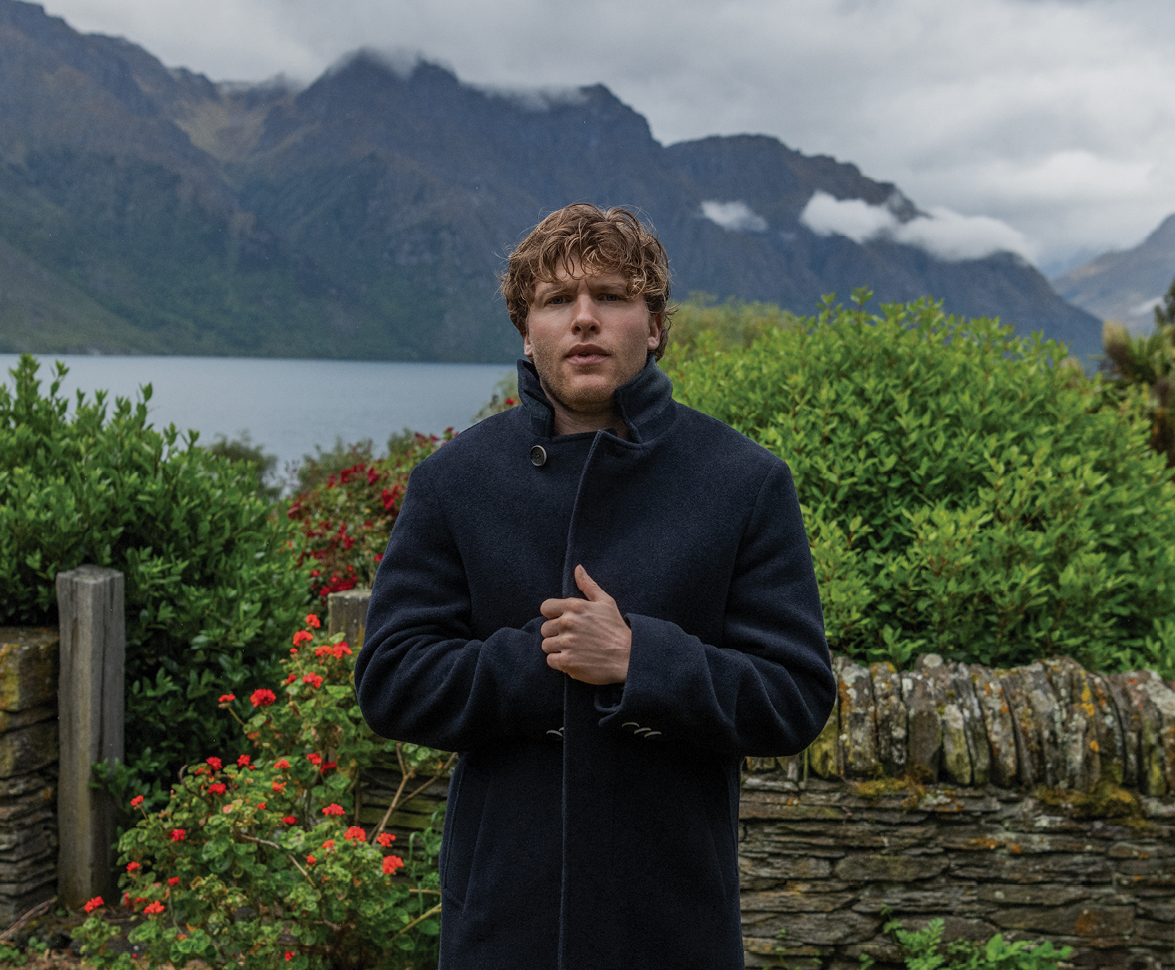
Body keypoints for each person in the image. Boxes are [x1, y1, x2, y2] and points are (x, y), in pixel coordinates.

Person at [354, 203, 835, 970]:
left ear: (654, 325)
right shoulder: (454, 482)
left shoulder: (744, 483)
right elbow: (391, 681)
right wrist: (544, 662)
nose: (584, 319)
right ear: (526, 329)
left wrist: (640, 660)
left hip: (673, 918)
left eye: (611, 296)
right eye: (556, 301)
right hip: (505, 917)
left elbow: (796, 697)